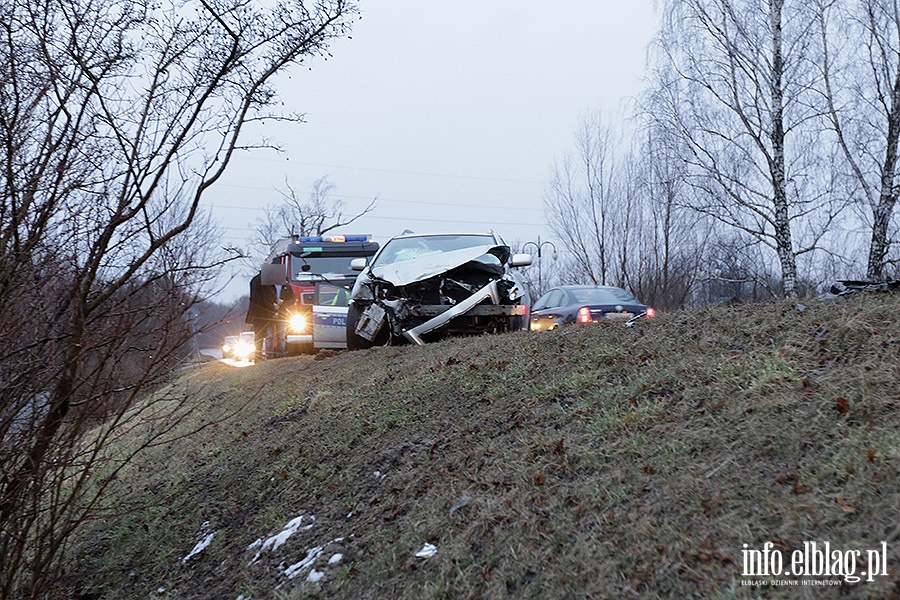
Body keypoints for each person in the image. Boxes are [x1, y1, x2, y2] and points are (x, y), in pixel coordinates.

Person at [246, 272, 277, 359]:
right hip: (264, 313)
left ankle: (257, 355)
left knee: (258, 335)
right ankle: (261, 355)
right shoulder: (265, 281)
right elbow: (267, 298)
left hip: (255, 312)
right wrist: (273, 309)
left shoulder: (254, 279)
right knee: (266, 335)